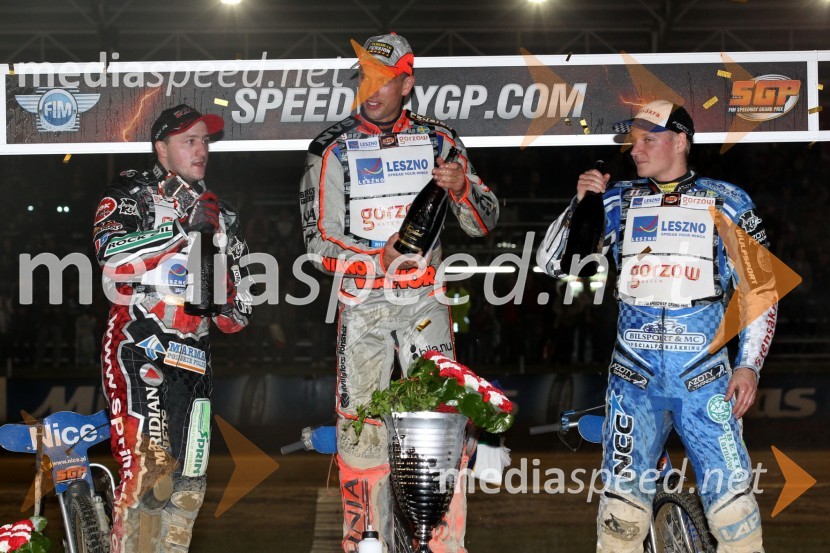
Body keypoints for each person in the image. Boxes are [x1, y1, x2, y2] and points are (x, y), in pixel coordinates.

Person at [537, 100, 775, 553]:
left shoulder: (728, 200)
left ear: (681, 140)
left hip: (706, 381)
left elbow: (760, 290)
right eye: (633, 141)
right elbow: (551, 262)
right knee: (620, 518)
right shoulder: (619, 199)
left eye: (649, 138)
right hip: (633, 380)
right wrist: (579, 203)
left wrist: (749, 366)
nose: (636, 149)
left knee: (734, 513)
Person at [300, 33, 498, 553]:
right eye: (364, 77)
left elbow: (484, 222)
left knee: (437, 421)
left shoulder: (440, 140)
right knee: (361, 427)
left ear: (407, 83)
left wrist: (461, 190)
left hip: (423, 301)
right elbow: (317, 243)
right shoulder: (331, 146)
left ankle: (442, 542)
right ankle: (363, 538)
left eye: (383, 79)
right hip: (361, 305)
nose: (371, 89)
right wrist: (375, 259)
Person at [93, 104, 253, 552]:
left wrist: (218, 275)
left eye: (205, 141)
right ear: (161, 148)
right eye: (189, 141)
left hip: (195, 362)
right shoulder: (132, 191)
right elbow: (111, 255)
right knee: (152, 478)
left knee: (187, 491)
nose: (201, 149)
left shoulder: (226, 214)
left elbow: (239, 316)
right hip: (139, 346)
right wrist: (183, 230)